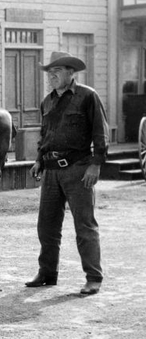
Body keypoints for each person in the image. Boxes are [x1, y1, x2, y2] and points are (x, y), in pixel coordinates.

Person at [26, 51, 109, 296]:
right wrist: (39, 160)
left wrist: (95, 165)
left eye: (57, 71)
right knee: (47, 226)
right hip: (51, 172)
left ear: (71, 73)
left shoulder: (87, 96)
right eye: (49, 72)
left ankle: (93, 278)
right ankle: (47, 273)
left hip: (78, 170)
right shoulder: (47, 101)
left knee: (84, 226)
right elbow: (46, 134)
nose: (51, 76)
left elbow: (100, 134)